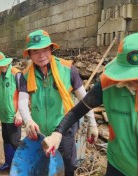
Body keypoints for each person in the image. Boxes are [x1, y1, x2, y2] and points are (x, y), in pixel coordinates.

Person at [42, 32, 138, 176]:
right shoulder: (107, 86)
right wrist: (57, 133)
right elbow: (77, 111)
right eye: (129, 75)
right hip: (119, 166)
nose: (135, 80)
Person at [18, 29, 98, 176]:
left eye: (45, 50)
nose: (41, 55)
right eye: (35, 52)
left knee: (67, 166)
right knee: (44, 166)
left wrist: (92, 123)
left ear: (51, 50)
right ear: (29, 55)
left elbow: (85, 99)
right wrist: (28, 121)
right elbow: (22, 102)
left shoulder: (68, 69)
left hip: (64, 129)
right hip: (40, 131)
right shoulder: (25, 75)